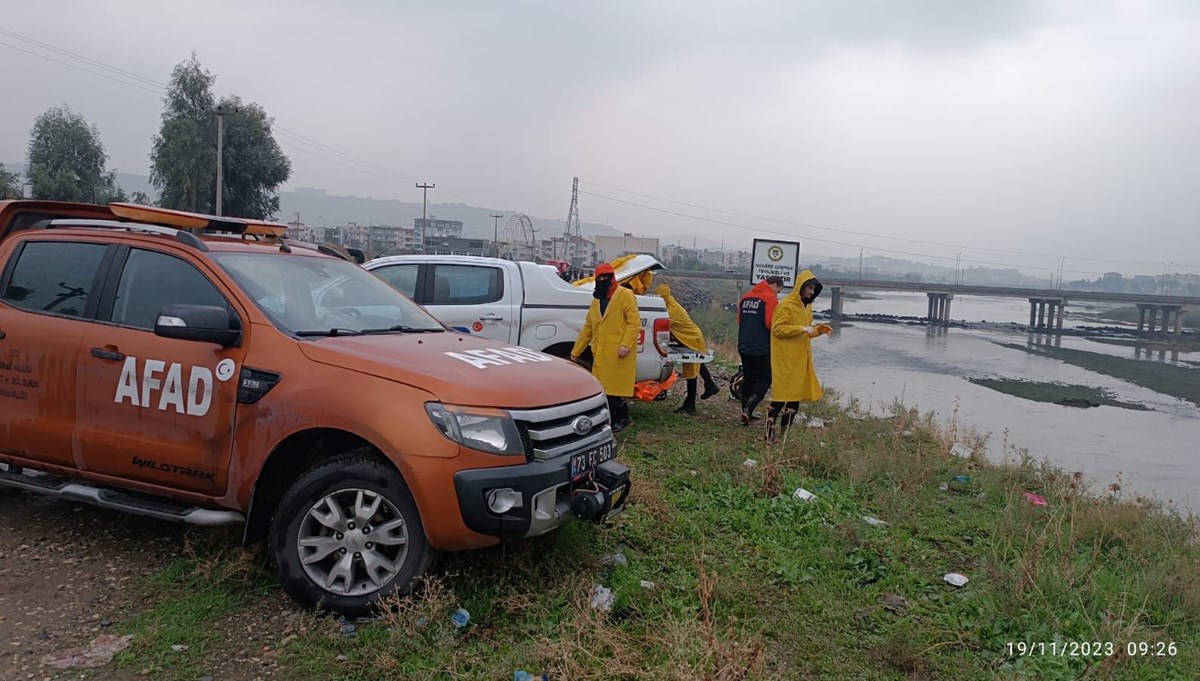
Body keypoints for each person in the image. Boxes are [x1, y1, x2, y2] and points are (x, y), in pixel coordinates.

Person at [571, 263, 641, 432]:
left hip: (618, 352)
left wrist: (625, 344)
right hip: (601, 352)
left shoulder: (625, 295)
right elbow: (588, 328)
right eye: (599, 278)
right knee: (603, 388)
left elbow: (634, 323)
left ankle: (623, 417)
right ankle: (614, 418)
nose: (602, 281)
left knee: (614, 389)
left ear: (612, 278)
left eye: (606, 278)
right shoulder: (597, 301)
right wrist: (576, 352)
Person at [766, 269, 832, 443]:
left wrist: (818, 330)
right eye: (809, 288)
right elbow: (777, 329)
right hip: (785, 359)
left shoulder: (807, 306)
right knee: (781, 397)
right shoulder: (785, 305)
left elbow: (807, 332)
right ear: (800, 287)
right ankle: (769, 434)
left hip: (801, 360)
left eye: (813, 289)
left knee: (794, 399)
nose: (811, 292)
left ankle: (784, 435)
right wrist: (801, 328)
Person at [655, 284, 719, 414]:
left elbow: (661, 325)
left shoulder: (672, 310)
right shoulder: (670, 304)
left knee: (691, 371)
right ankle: (710, 385)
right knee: (696, 366)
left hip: (692, 339)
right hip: (689, 338)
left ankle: (690, 405)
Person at [737, 275, 784, 424]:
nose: (777, 293)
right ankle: (748, 410)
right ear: (775, 285)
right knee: (766, 378)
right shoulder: (770, 299)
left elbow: (739, 321)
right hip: (762, 346)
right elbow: (771, 323)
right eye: (778, 290)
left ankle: (745, 412)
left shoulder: (746, 297)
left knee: (749, 378)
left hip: (744, 345)